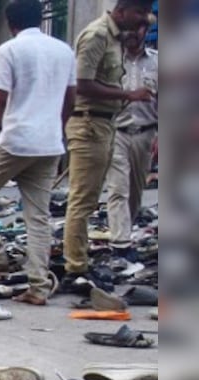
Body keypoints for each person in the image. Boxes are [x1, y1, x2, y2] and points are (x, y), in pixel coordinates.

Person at [0, 0, 76, 306]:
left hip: (16, 140)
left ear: (11, 22)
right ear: (40, 18)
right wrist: (57, 128)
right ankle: (38, 288)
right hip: (50, 143)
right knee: (38, 217)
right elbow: (71, 100)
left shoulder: (9, 50)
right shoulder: (63, 50)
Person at [62, 0, 154, 285]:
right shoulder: (97, 35)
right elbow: (82, 83)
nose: (142, 22)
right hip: (92, 124)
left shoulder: (112, 38)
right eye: (139, 14)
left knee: (93, 200)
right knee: (87, 199)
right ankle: (76, 267)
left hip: (111, 126)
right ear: (123, 10)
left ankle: (80, 263)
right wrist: (128, 95)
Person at [102, 21, 157, 255]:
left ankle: (127, 229)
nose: (133, 32)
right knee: (118, 188)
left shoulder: (158, 62)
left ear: (145, 30)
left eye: (138, 28)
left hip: (146, 133)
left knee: (135, 191)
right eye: (129, 28)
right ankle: (120, 242)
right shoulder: (110, 62)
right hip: (117, 132)